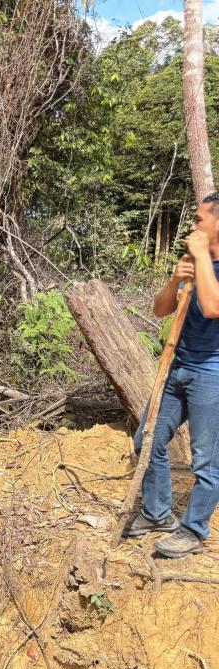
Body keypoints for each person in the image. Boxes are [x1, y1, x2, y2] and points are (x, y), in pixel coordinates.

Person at [127, 193, 219, 558]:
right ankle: (157, 513)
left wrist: (201, 259)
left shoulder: (206, 263)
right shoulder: (192, 263)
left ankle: (194, 530)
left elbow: (212, 307)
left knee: (206, 461)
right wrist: (176, 278)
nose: (192, 227)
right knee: (146, 440)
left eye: (199, 220)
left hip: (212, 376)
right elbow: (161, 308)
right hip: (177, 368)